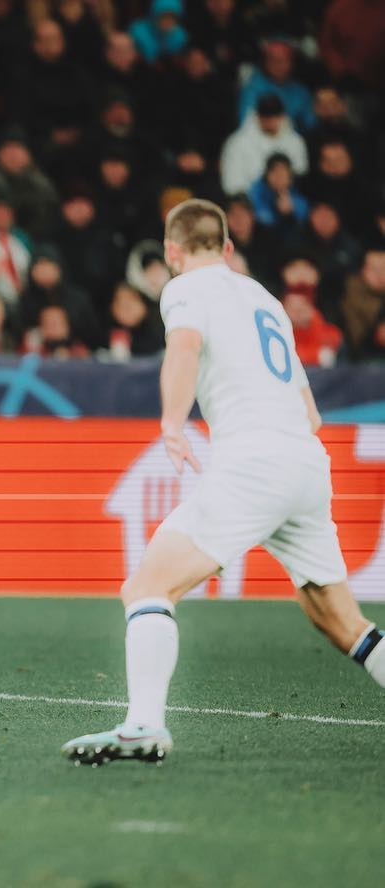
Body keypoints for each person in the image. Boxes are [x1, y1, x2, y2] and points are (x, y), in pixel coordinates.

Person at [62, 200, 384, 766]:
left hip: (254, 464)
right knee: (340, 621)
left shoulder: (185, 288)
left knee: (147, 587)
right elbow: (311, 413)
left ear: (172, 251)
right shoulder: (265, 299)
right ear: (228, 248)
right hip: (306, 462)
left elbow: (184, 349)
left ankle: (143, 726)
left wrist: (172, 422)